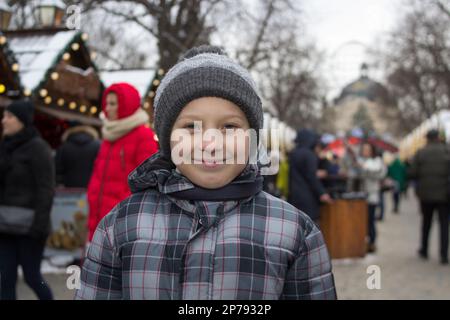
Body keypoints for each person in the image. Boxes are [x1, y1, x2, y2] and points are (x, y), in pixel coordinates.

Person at [75, 45, 336, 300]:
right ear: (167, 139)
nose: (210, 143)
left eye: (229, 127)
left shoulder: (294, 231)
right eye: (191, 126)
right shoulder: (120, 225)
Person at [86, 83, 159, 241]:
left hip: (123, 223)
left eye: (113, 103)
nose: (107, 108)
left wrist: (123, 205)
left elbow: (148, 181)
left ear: (127, 104)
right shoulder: (108, 135)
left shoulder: (143, 135)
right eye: (106, 103)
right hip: (98, 220)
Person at [0, 100, 54, 300]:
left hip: (30, 228)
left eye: (9, 116)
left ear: (22, 121)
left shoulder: (38, 148)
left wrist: (39, 227)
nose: (4, 120)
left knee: (32, 277)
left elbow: (46, 189)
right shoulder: (5, 147)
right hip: (5, 226)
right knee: (5, 279)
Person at [408, 129, 449, 265]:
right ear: (438, 137)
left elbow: (412, 173)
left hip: (425, 194)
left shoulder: (421, 152)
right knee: (444, 224)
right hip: (444, 194)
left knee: (426, 222)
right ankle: (443, 254)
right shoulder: (446, 151)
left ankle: (424, 250)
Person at [288, 129, 332, 224]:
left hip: (294, 195)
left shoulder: (294, 153)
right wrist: (322, 193)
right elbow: (312, 176)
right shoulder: (309, 154)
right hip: (308, 198)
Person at [357, 142, 386, 253]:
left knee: (370, 221)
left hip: (371, 196)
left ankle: (372, 243)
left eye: (368, 149)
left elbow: (379, 174)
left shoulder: (377, 162)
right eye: (364, 149)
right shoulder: (359, 161)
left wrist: (365, 169)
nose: (366, 151)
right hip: (359, 196)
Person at [55, 121, 100, 188]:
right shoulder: (98, 146)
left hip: (68, 189)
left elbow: (57, 170)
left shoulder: (64, 147)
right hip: (92, 187)